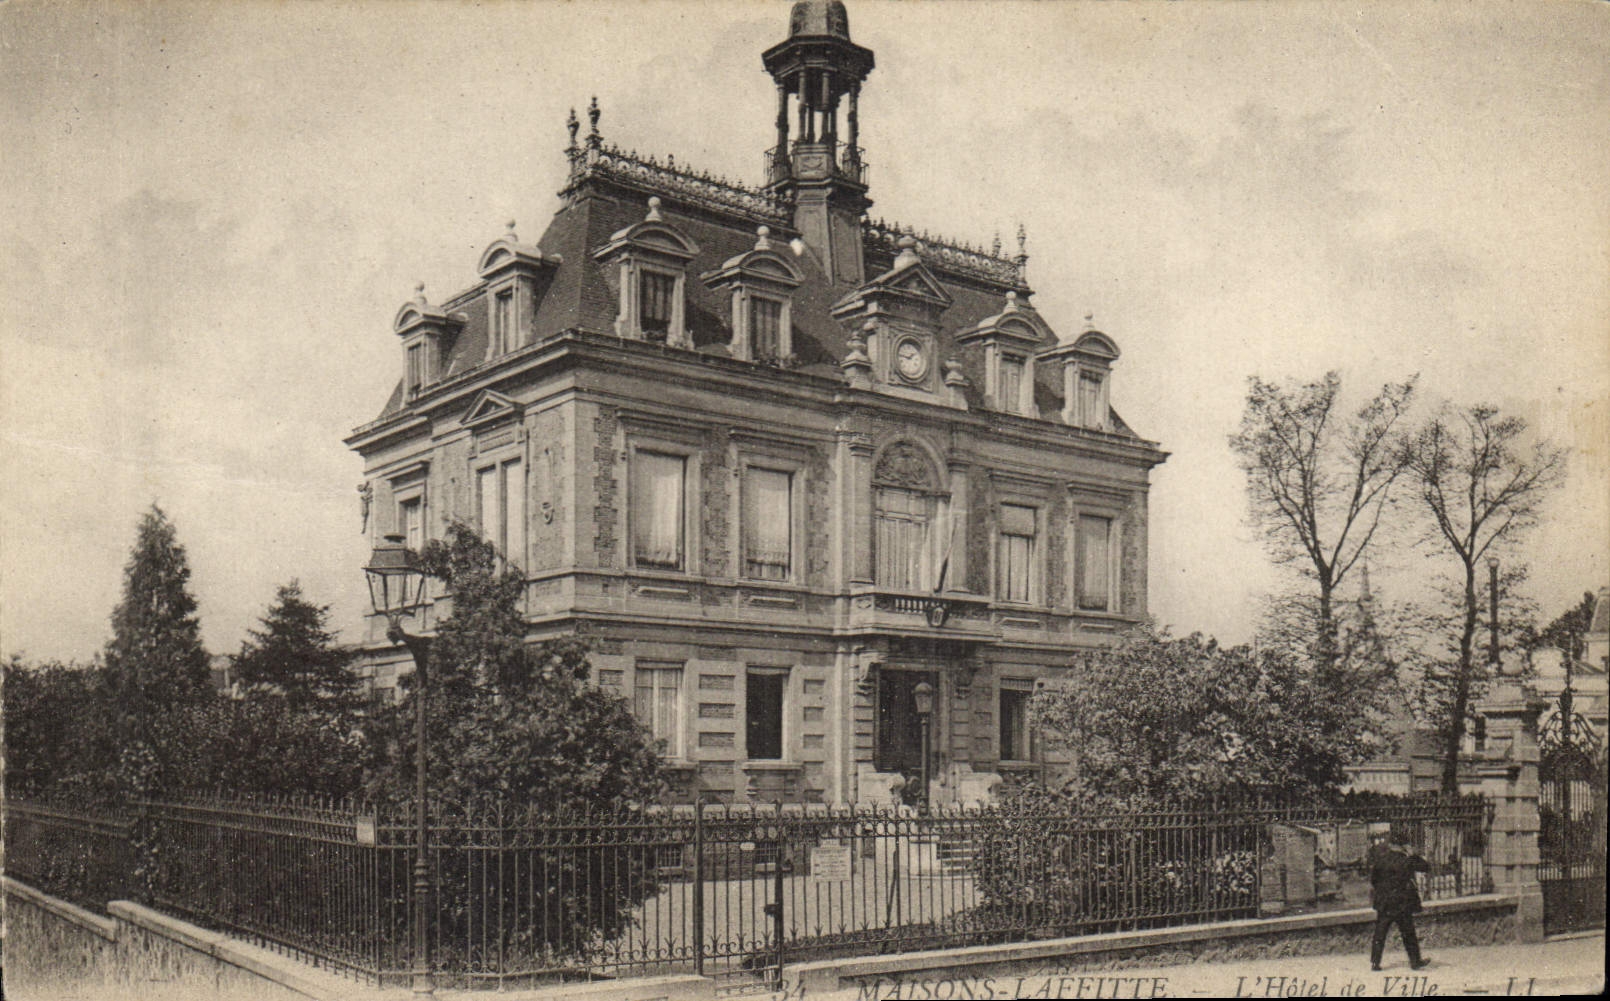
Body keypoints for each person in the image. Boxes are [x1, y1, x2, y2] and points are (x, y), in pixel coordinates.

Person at [1367, 825, 1432, 971]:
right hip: (1402, 902)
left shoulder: (1381, 859)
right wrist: (1413, 854)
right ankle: (1415, 961)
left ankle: (1375, 962)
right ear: (1404, 845)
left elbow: (1374, 879)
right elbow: (1426, 867)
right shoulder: (1407, 860)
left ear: (1390, 844)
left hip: (1385, 902)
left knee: (1380, 932)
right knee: (1408, 932)